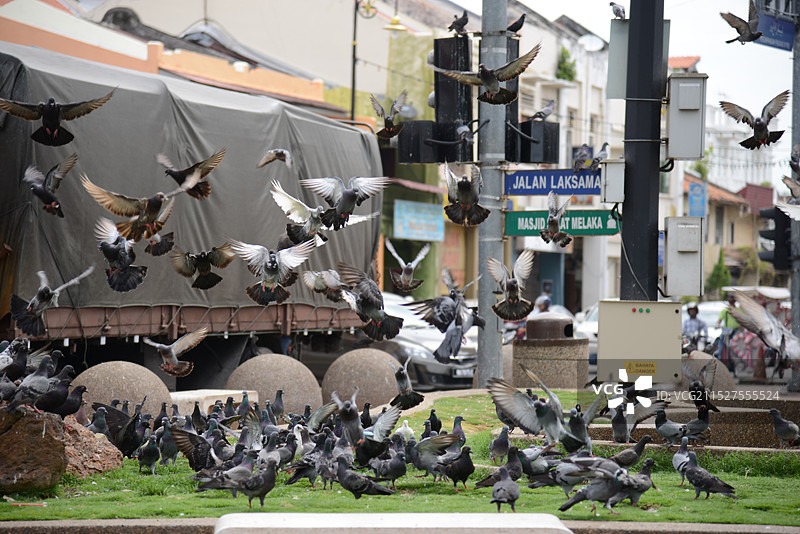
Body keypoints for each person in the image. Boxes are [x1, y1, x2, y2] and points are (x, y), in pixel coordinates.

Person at [716, 293, 740, 373]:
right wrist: (717, 325)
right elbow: (719, 320)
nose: (731, 299)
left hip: (735, 330)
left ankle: (737, 359)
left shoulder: (738, 310)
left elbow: (742, 320)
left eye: (732, 297)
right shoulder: (724, 310)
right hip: (726, 331)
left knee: (736, 344)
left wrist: (741, 326)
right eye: (730, 297)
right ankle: (720, 359)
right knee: (721, 342)